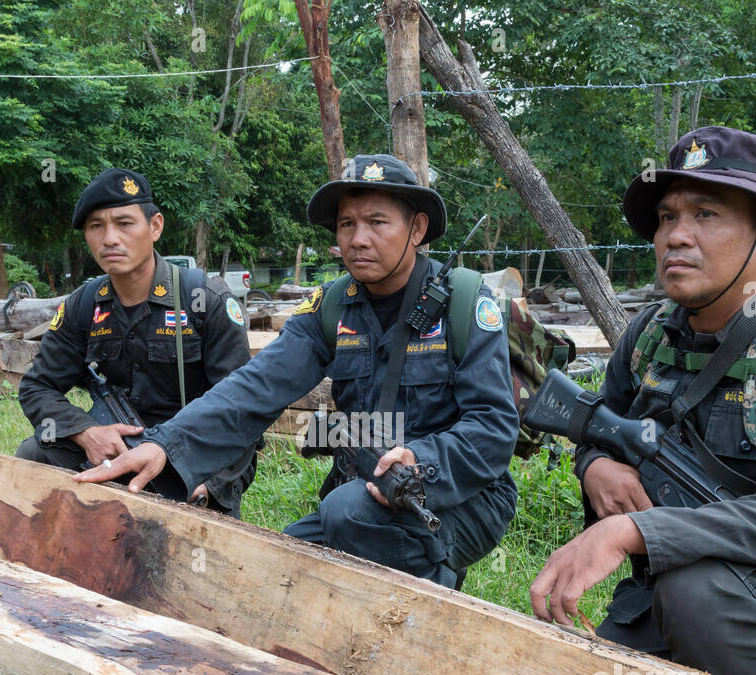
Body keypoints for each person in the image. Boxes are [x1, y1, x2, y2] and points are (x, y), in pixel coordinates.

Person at [530, 126, 756, 675]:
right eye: (667, 217)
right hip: (675, 582)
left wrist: (635, 530)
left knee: (698, 594)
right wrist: (593, 465)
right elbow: (596, 426)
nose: (677, 237)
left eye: (706, 214)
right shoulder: (648, 334)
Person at [76, 154, 520, 589]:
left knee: (346, 512)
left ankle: (434, 595)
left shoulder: (463, 303)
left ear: (417, 228)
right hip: (367, 489)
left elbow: (494, 427)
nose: (359, 239)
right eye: (347, 224)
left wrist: (420, 464)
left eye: (377, 222)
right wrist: (164, 446)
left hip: (464, 494)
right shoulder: (332, 305)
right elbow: (256, 386)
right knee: (278, 569)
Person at [16, 168, 256, 516]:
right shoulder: (83, 306)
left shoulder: (204, 299)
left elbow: (242, 405)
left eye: (125, 223)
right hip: (117, 448)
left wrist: (209, 485)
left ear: (155, 226)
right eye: (96, 226)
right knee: (33, 456)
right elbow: (37, 387)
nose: (110, 238)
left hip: (195, 451)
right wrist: (87, 432)